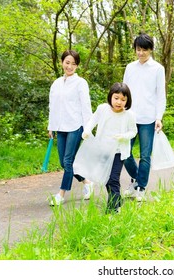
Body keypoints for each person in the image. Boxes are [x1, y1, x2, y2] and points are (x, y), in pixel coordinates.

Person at [123, 33, 166, 202]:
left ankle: (140, 187)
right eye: (138, 49)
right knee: (124, 152)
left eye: (144, 50)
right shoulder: (130, 67)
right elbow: (123, 91)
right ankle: (136, 179)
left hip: (148, 118)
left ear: (150, 50)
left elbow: (160, 95)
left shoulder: (158, 68)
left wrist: (159, 117)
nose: (141, 53)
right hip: (130, 117)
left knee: (145, 155)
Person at [47, 50, 94, 206]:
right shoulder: (56, 83)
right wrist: (51, 126)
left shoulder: (81, 83)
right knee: (64, 162)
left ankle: (61, 194)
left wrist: (88, 129)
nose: (70, 66)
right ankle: (87, 182)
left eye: (73, 64)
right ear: (62, 63)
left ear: (77, 66)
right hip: (61, 127)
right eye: (67, 62)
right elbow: (52, 106)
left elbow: (86, 106)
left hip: (75, 126)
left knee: (68, 162)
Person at [82, 82, 137, 213]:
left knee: (113, 178)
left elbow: (133, 131)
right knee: (106, 178)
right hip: (103, 150)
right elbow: (92, 120)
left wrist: (123, 136)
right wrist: (87, 130)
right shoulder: (102, 109)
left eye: (123, 100)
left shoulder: (129, 115)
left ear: (127, 101)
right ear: (110, 96)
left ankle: (113, 209)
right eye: (116, 98)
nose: (119, 102)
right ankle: (117, 200)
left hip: (118, 152)